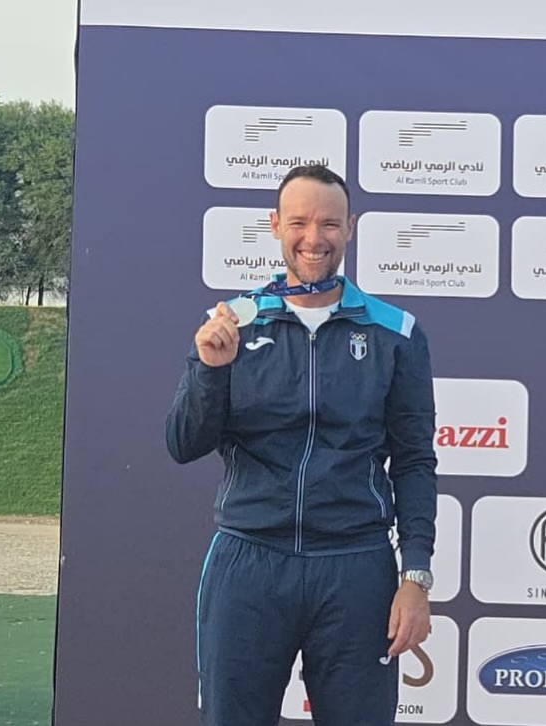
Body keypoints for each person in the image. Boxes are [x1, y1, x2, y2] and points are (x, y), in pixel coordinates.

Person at [165, 165, 437, 726]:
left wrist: (415, 576)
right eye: (299, 222)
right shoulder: (231, 324)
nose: (314, 238)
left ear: (350, 228)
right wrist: (211, 371)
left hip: (355, 566)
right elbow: (183, 443)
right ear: (275, 225)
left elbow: (414, 461)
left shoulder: (396, 333)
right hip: (249, 561)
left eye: (329, 224)